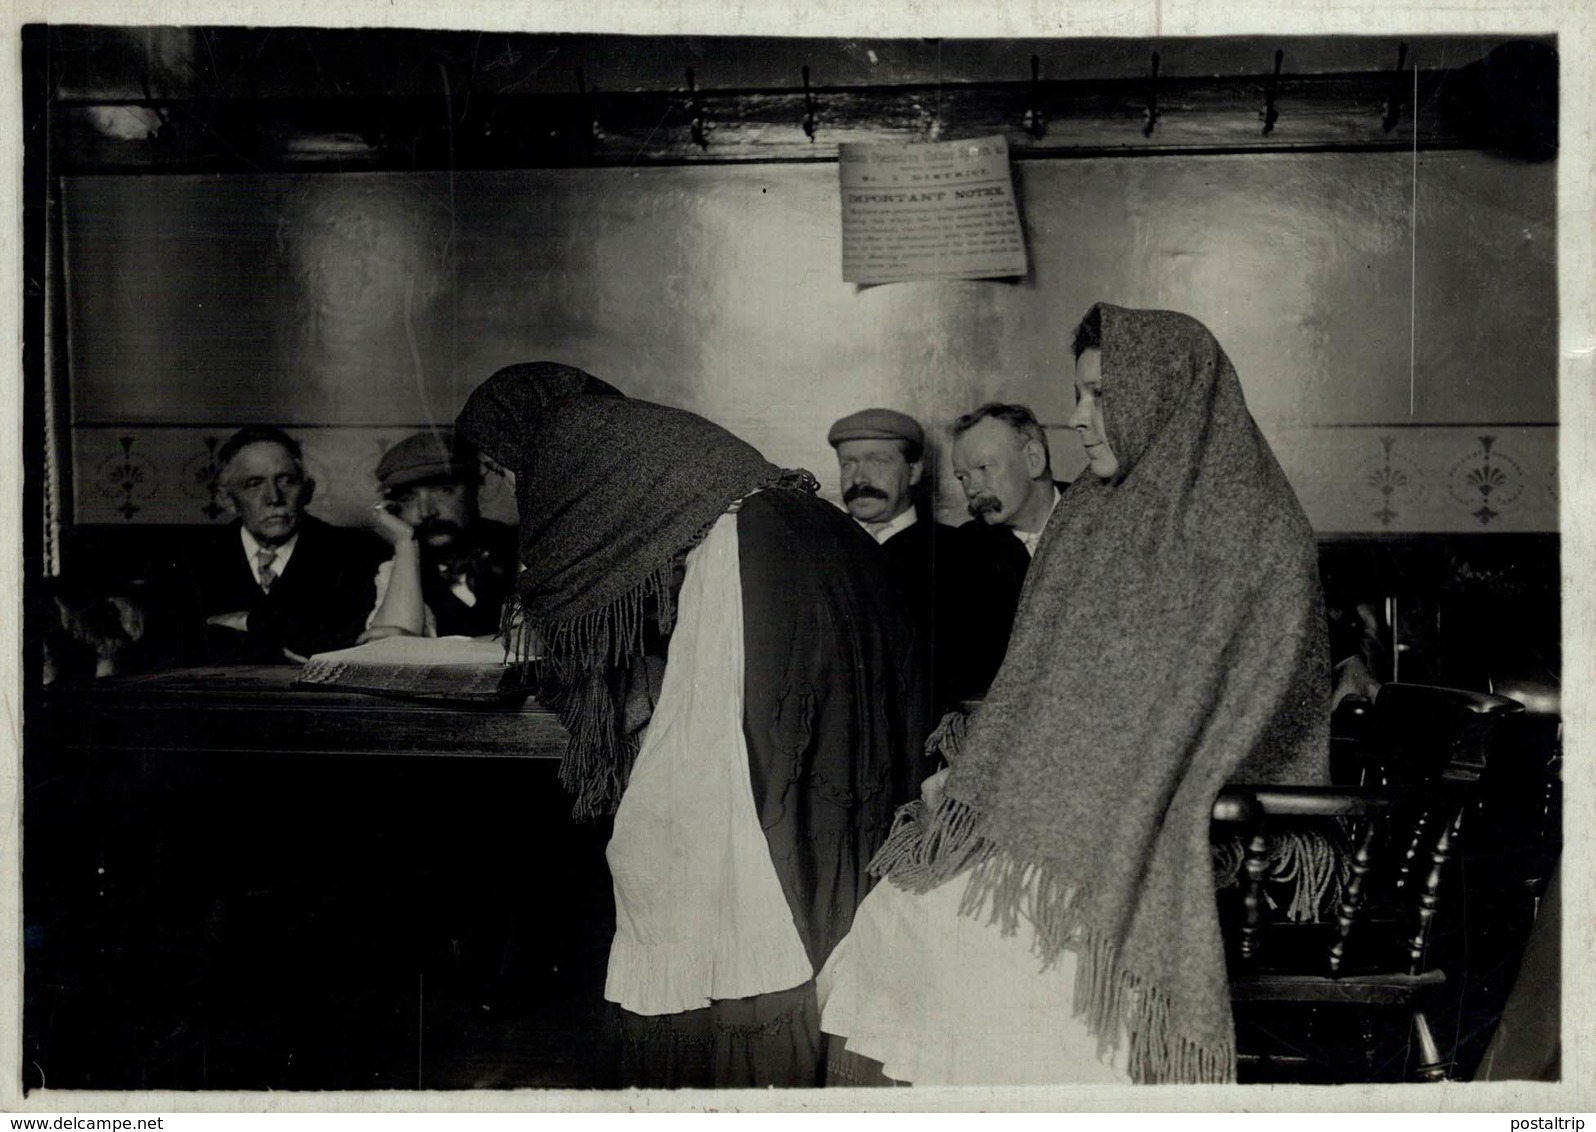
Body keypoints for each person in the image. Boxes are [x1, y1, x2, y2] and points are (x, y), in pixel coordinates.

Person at [817, 303, 1331, 1086]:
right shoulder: (1093, 512)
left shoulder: (1253, 527)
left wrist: (1119, 781)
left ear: (1162, 394)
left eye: (1097, 396)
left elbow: (1247, 710)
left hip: (1179, 817)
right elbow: (1048, 680)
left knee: (991, 950)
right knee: (899, 910)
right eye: (1078, 394)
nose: (1076, 416)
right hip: (1073, 801)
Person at [456, 361, 933, 1089]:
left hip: (763, 574)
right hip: (823, 560)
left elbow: (562, 588)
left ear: (502, 456)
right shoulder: (614, 430)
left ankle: (724, 1069)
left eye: (487, 472)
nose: (488, 490)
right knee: (792, 829)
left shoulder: (563, 444)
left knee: (700, 840)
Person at [827, 407, 1000, 707]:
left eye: (878, 461)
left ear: (914, 470)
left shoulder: (957, 553)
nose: (859, 478)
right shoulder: (822, 551)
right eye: (848, 464)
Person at [183, 425, 383, 664]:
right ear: (227, 500)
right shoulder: (194, 559)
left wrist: (247, 623)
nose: (274, 497)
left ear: (307, 491)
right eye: (254, 484)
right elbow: (183, 646)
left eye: (287, 481)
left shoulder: (353, 554)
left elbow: (345, 643)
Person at [361, 430, 519, 642]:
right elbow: (388, 650)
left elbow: (533, 645)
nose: (426, 511)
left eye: (444, 490)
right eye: (408, 498)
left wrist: (420, 648)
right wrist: (406, 543)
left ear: (475, 490)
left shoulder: (522, 549)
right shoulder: (396, 567)